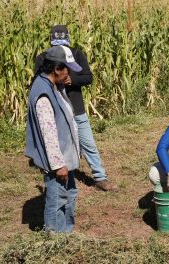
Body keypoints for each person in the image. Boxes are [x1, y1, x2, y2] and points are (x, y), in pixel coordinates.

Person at [34, 25, 117, 192]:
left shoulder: (77, 54)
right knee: (57, 143)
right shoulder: (43, 57)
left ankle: (100, 177)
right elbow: (39, 80)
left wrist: (72, 80)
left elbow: (87, 77)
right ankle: (58, 175)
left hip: (76, 108)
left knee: (88, 143)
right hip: (56, 110)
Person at [26, 45, 82, 233]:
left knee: (69, 194)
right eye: (67, 69)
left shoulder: (53, 86)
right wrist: (58, 165)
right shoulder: (43, 93)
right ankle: (56, 239)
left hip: (64, 156)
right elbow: (48, 133)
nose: (69, 74)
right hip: (57, 160)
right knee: (57, 199)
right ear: (56, 69)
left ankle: (66, 233)